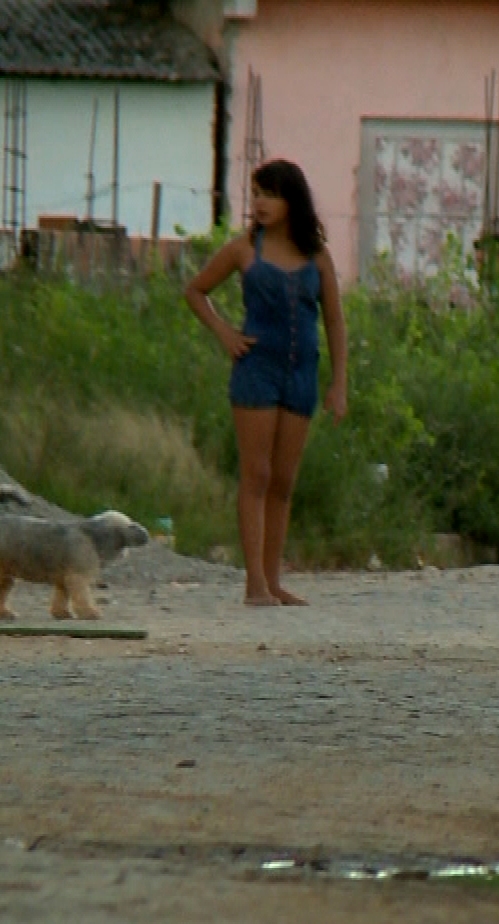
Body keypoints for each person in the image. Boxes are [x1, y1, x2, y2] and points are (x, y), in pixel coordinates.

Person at [184, 159, 347, 608]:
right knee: (256, 474)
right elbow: (195, 291)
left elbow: (334, 320)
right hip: (257, 369)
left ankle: (274, 582)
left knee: (284, 480)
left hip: (302, 373)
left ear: (292, 200)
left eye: (269, 194)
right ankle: (254, 583)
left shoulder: (317, 257)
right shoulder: (242, 251)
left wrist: (339, 384)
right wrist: (225, 334)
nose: (259, 203)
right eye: (255, 193)